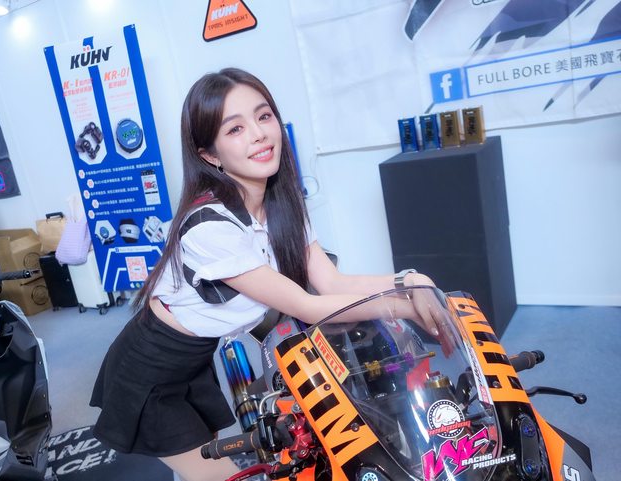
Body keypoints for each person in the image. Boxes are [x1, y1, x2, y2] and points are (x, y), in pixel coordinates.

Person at [90, 67, 445, 481]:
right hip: (148, 370)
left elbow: (333, 283)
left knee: (209, 465)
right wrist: (403, 307)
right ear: (210, 155)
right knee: (218, 476)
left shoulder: (282, 205)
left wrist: (410, 280)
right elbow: (309, 306)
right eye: (235, 129)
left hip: (196, 359)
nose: (259, 134)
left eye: (263, 116)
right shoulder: (208, 227)